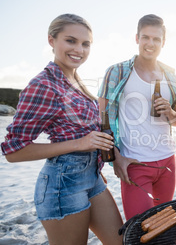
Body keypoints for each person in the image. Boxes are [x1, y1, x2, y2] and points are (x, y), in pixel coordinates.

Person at [1, 14, 123, 244]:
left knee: (121, 241)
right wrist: (81, 144)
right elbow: (13, 152)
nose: (79, 49)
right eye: (71, 40)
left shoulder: (74, 80)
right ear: (51, 40)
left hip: (92, 177)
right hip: (62, 186)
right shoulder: (44, 85)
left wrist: (97, 163)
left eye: (86, 44)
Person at [98, 14, 176, 220]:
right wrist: (115, 157)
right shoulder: (117, 72)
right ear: (137, 38)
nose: (150, 43)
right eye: (146, 37)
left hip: (167, 163)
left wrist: (171, 113)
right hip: (134, 163)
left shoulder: (171, 76)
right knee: (138, 229)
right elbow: (100, 118)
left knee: (162, 228)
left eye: (156, 39)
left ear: (164, 42)